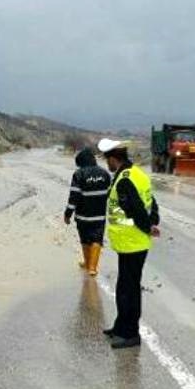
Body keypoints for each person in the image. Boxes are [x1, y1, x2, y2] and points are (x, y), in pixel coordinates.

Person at [97, 139, 160, 349]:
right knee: (125, 286)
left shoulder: (124, 180)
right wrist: (153, 222)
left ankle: (130, 333)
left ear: (114, 159)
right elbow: (151, 201)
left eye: (108, 161)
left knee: (128, 290)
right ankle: (120, 326)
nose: (108, 165)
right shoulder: (137, 174)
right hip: (133, 242)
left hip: (132, 242)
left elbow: (136, 209)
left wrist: (148, 227)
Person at [64, 147, 111, 276]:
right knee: (97, 240)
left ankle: (87, 262)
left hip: (83, 216)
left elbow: (74, 196)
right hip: (99, 216)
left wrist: (67, 214)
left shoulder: (79, 174)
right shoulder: (105, 174)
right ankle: (92, 268)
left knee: (85, 240)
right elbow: (111, 194)